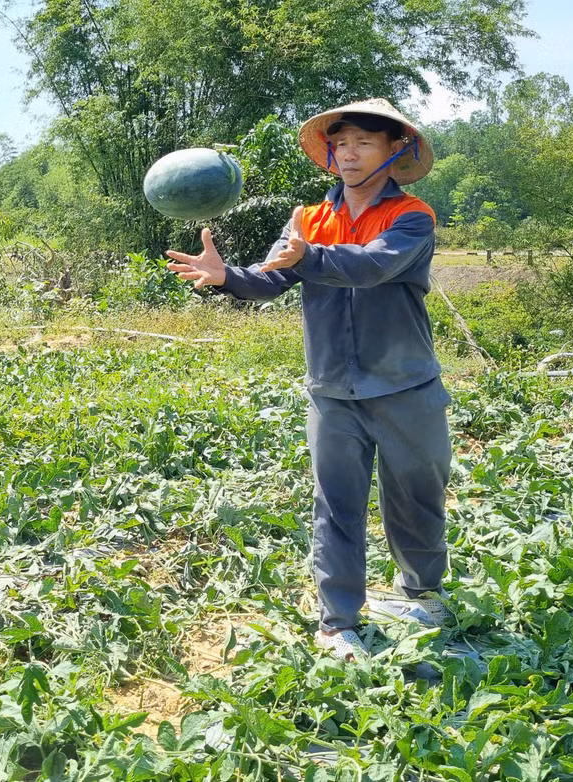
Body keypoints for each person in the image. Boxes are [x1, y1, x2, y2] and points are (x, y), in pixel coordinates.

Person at [164, 98, 452, 660]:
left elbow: (370, 267)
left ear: (397, 150)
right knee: (335, 504)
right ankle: (337, 622)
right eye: (341, 143)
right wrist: (227, 277)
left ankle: (424, 593)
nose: (348, 154)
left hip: (405, 386)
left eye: (363, 143)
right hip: (331, 390)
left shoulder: (412, 216)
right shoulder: (308, 220)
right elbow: (271, 279)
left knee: (417, 497)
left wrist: (307, 257)